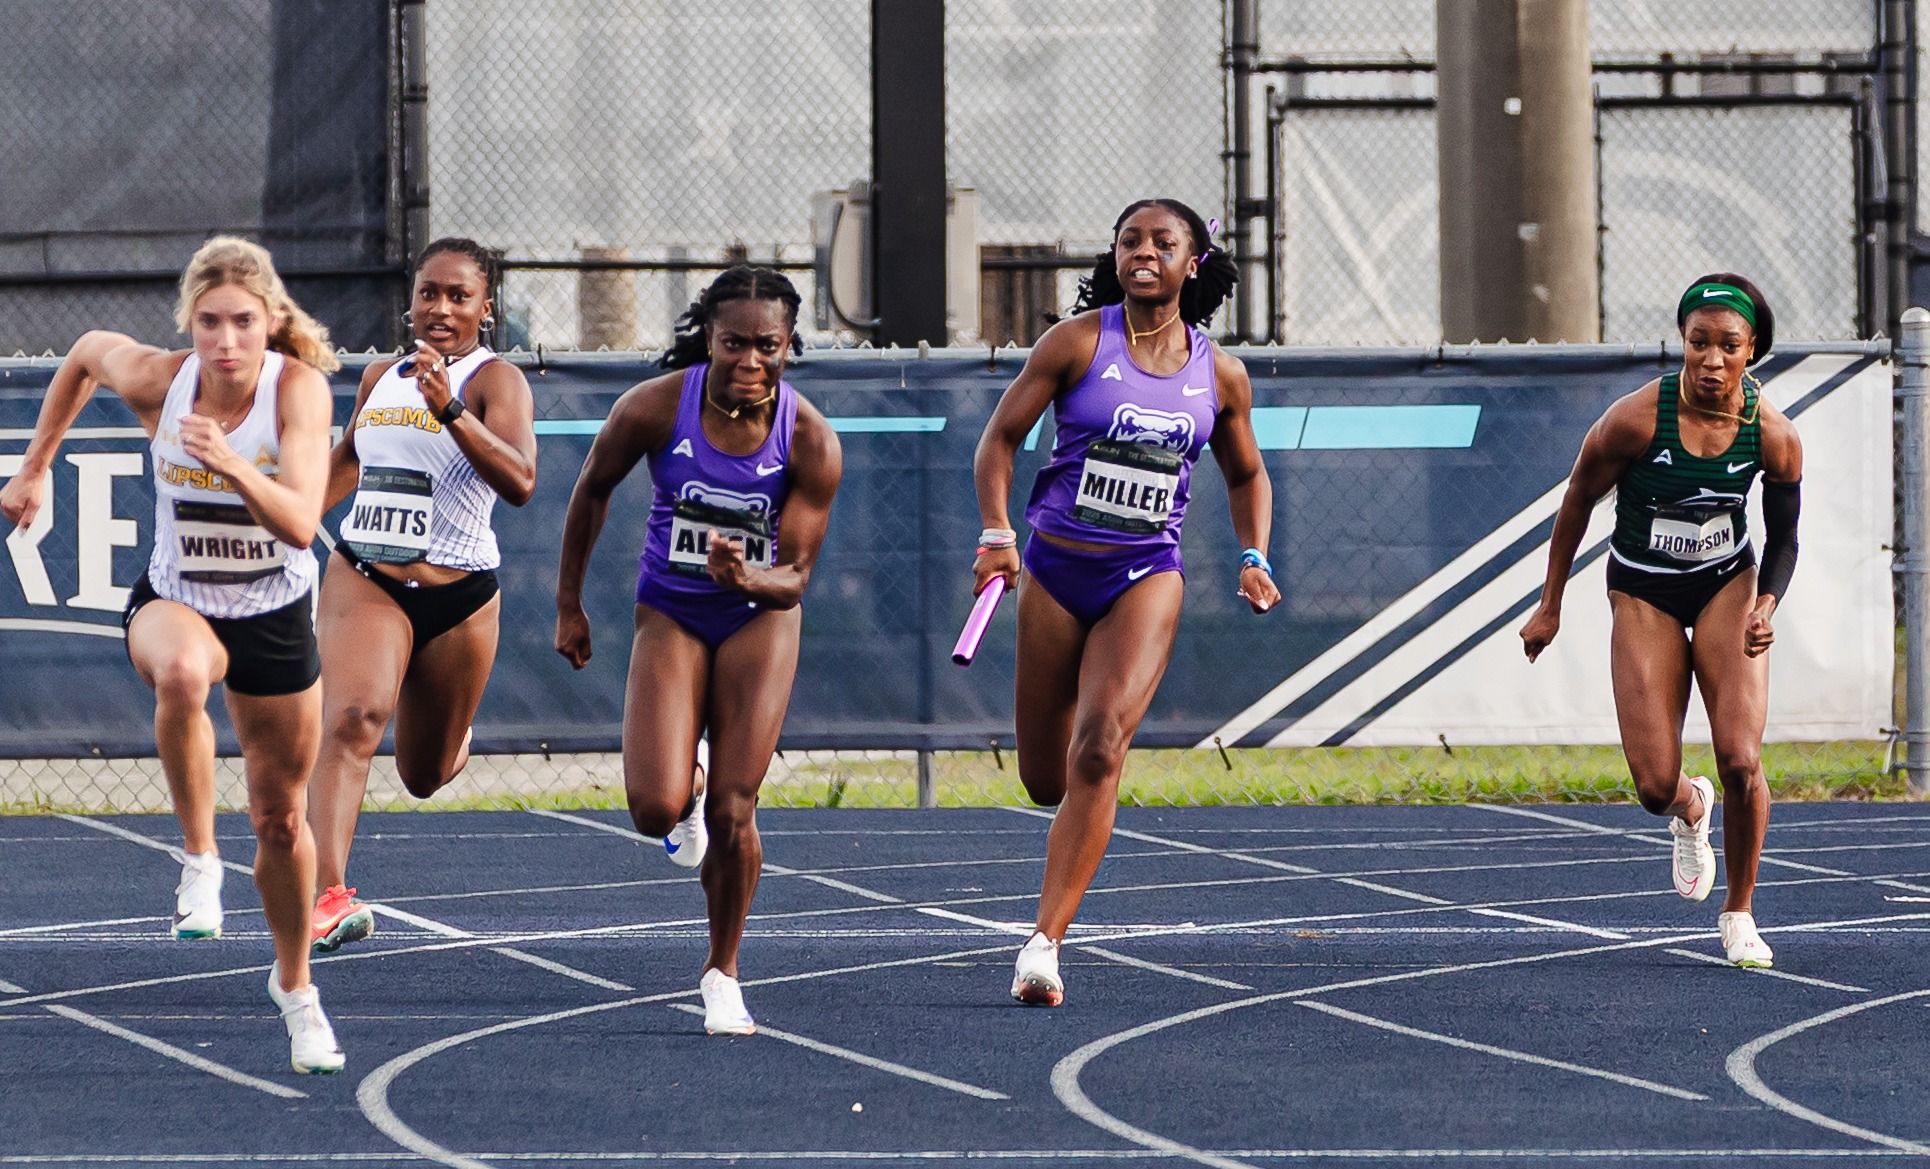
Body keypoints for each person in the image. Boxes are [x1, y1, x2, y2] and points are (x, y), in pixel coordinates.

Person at [0, 237, 345, 1072]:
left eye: (242, 323)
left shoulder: (296, 392)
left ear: (270, 323)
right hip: (177, 597)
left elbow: (301, 522)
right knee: (185, 672)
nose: (225, 342)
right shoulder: (163, 379)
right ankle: (198, 860)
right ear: (189, 325)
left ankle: (296, 988)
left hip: (272, 608)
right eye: (208, 323)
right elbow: (84, 355)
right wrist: (35, 466)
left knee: (282, 817)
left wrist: (227, 462)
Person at [972, 199, 1280, 1007]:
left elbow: (1246, 472)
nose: (1144, 252)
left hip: (1145, 575)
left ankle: (1045, 942)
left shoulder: (1219, 373)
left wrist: (1253, 552)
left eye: (1162, 242)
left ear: (1193, 264)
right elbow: (998, 440)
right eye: (1130, 241)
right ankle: (1059, 835)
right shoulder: (1075, 343)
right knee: (1046, 778)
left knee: (1101, 746)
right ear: (1114, 257)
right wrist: (997, 531)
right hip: (1056, 571)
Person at [554, 266, 842, 1034]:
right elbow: (592, 489)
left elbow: (797, 578)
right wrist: (570, 604)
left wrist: (747, 572)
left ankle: (723, 970)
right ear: (707, 339)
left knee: (737, 807)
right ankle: (691, 782)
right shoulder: (654, 407)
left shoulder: (809, 438)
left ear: (789, 346)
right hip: (673, 613)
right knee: (653, 808)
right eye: (735, 344)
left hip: (759, 616)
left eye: (768, 346)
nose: (751, 361)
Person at [1521, 274, 1800, 969]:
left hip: (1725, 585)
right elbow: (1578, 500)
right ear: (1682, 342)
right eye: (1697, 342)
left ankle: (1739, 912)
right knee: (1651, 785)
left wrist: (1766, 603)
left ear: (1752, 351)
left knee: (1741, 756)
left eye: (1727, 346)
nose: (1710, 359)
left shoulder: (1773, 434)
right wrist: (1549, 603)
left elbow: (1786, 535)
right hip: (1644, 590)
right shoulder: (1637, 420)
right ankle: (1689, 806)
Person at [305, 238, 537, 953]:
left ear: (485, 308)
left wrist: (451, 410)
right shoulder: (381, 375)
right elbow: (345, 466)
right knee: (351, 718)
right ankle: (328, 895)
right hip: (367, 575)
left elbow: (520, 482)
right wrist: (272, 517)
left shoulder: (498, 383)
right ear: (411, 299)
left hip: (459, 595)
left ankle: (450, 737)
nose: (440, 308)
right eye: (428, 292)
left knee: (424, 774)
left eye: (458, 296)